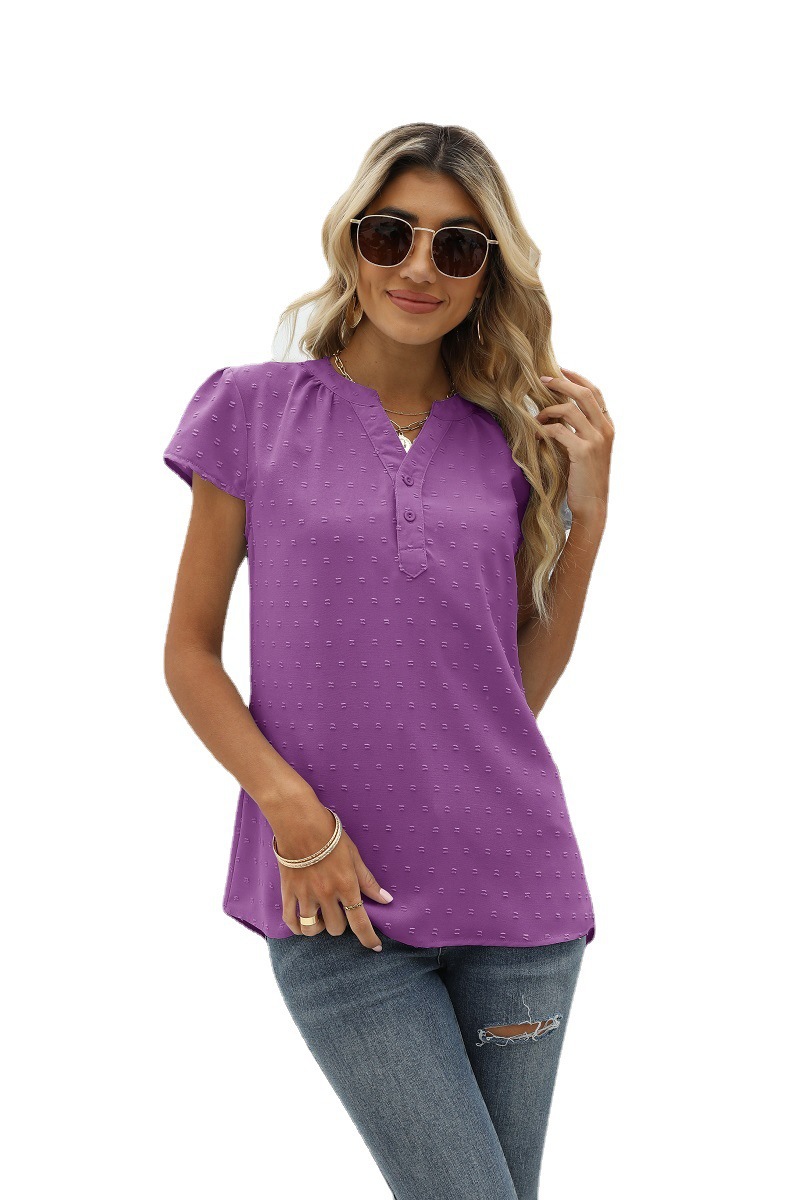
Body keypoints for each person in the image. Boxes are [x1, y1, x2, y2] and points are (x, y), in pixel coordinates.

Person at [163, 121, 614, 1200]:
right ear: (350, 242)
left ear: (486, 273)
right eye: (390, 234)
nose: (418, 267)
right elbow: (187, 652)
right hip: (336, 902)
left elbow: (508, 692)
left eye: (456, 247)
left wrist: (588, 514)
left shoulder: (510, 442)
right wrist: (295, 818)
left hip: (516, 895)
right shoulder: (250, 411)